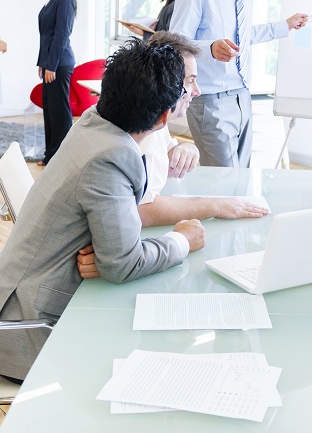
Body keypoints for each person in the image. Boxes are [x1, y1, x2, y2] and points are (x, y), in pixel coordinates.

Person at [0, 38, 206, 382]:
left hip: (31, 295)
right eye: (188, 86)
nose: (195, 92)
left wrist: (114, 255)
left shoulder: (97, 120)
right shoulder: (112, 155)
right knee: (166, 357)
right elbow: (123, 264)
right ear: (165, 116)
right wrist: (182, 239)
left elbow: (114, 256)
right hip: (32, 328)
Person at [75, 31, 270, 280]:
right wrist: (196, 224)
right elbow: (130, 240)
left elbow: (162, 151)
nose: (196, 91)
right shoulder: (116, 153)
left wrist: (184, 148)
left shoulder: (137, 119)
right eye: (190, 81)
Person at [170, 0, 308, 168]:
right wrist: (211, 49)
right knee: (223, 183)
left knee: (241, 178)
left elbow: (242, 36)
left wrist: (285, 26)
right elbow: (176, 44)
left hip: (243, 96)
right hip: (210, 101)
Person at [37, 0, 77, 165]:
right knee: (49, 110)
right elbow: (46, 35)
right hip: (51, 63)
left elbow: (61, 35)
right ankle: (50, 155)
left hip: (60, 64)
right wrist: (42, 63)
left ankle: (61, 158)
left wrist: (51, 65)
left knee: (60, 112)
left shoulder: (65, 0)